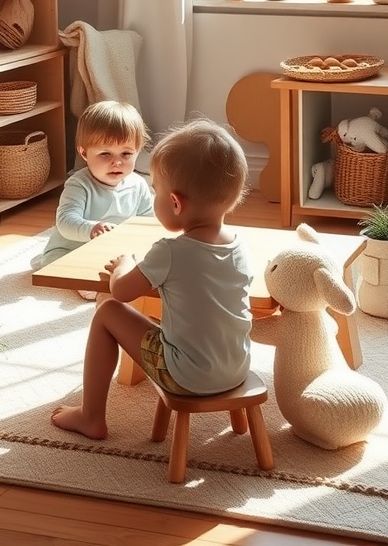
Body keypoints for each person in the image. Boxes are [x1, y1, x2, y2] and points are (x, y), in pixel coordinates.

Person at [51, 118, 253, 439]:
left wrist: (125, 264)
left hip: (185, 378)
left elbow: (121, 291)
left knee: (107, 310)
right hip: (237, 369)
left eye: (156, 191)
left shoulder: (170, 252)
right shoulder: (240, 245)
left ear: (175, 203)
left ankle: (91, 417)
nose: (154, 197)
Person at [37, 101, 154, 292]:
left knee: (142, 263)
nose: (117, 162)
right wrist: (92, 229)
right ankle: (87, 282)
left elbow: (148, 221)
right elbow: (65, 221)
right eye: (105, 154)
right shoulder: (79, 184)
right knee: (58, 265)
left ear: (138, 151)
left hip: (111, 252)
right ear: (84, 153)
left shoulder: (138, 184)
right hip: (71, 250)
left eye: (126, 154)